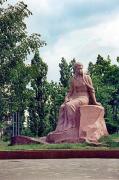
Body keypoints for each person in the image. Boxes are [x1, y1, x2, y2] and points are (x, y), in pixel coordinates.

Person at [46, 62, 108, 143]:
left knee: (69, 105)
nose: (80, 70)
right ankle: (61, 128)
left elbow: (91, 90)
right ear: (75, 69)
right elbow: (70, 91)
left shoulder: (87, 77)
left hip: (84, 97)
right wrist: (67, 98)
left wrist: (95, 101)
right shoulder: (73, 79)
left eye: (81, 68)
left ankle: (72, 125)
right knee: (62, 107)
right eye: (79, 68)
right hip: (74, 97)